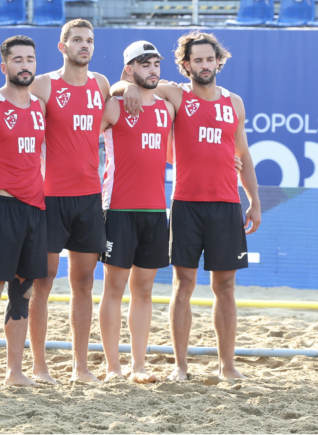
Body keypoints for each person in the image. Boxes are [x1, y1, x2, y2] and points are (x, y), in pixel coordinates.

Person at [117, 31, 260, 381]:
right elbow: (121, 87)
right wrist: (130, 88)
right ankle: (180, 367)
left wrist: (254, 201)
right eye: (197, 60)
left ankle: (227, 366)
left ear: (218, 61)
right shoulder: (175, 95)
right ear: (186, 65)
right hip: (186, 204)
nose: (205, 65)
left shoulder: (234, 102)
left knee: (225, 287)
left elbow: (244, 155)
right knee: (183, 285)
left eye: (210, 59)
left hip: (226, 204)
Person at [28, 19, 112, 384]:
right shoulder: (44, 84)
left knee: (83, 285)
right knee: (41, 283)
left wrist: (130, 89)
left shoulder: (102, 84)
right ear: (62, 46)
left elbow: (121, 97)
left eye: (90, 40)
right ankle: (39, 366)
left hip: (89, 198)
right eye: (77, 39)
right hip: (50, 198)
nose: (84, 45)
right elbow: (11, 106)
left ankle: (80, 367)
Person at [0, 35, 48, 387]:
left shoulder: (39, 106)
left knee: (24, 290)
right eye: (17, 59)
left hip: (34, 208)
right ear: (4, 67)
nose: (25, 65)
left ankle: (14, 371)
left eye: (30, 59)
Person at [97, 42, 173, 383]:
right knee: (114, 288)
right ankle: (113, 367)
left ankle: (138, 366)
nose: (152, 70)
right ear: (129, 68)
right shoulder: (113, 106)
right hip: (119, 209)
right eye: (144, 64)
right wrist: (122, 87)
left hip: (156, 209)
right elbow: (75, 140)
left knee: (144, 290)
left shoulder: (167, 109)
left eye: (156, 63)